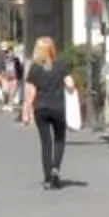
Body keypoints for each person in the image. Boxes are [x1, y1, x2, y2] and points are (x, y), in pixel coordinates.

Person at [23, 35, 74, 188]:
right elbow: (70, 84)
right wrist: (71, 87)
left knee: (46, 142)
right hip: (58, 107)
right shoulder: (61, 65)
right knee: (59, 139)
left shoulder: (34, 68)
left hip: (41, 109)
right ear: (52, 49)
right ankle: (55, 168)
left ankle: (47, 178)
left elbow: (30, 93)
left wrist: (26, 112)